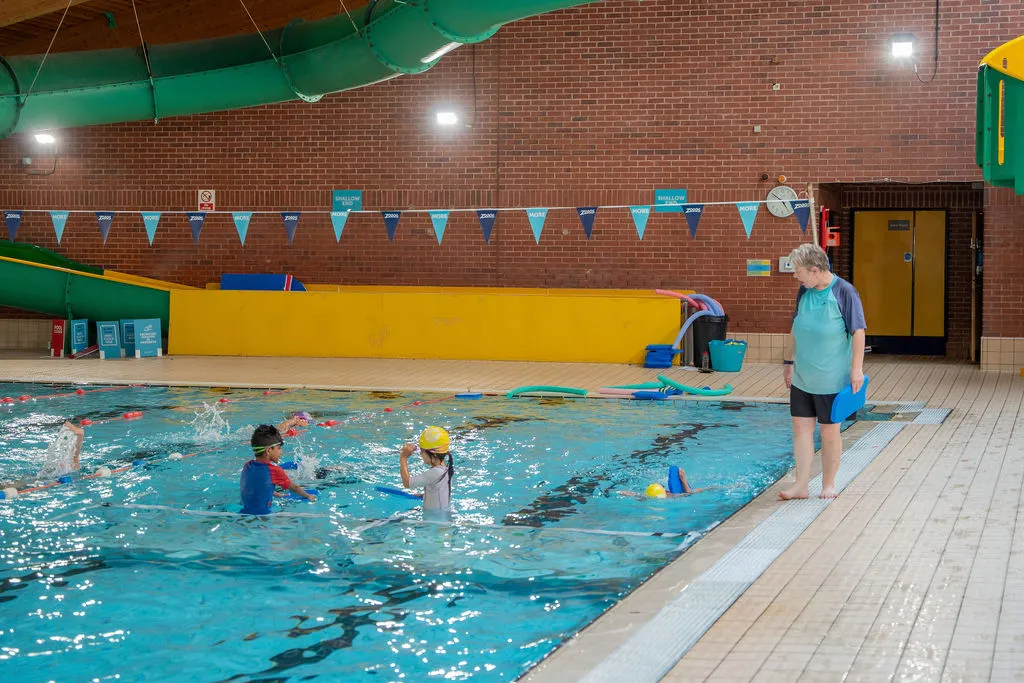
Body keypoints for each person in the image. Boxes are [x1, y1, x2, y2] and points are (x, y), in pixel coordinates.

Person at [780, 242, 866, 501]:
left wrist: (857, 370)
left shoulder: (844, 292)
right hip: (803, 377)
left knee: (829, 431)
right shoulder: (804, 291)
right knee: (801, 430)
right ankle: (801, 485)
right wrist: (788, 362)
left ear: (815, 270)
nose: (795, 276)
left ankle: (828, 483)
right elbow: (797, 327)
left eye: (798, 271)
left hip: (831, 379)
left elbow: (858, 331)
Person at [240, 420, 316, 515]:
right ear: (268, 451)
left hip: (244, 512)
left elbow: (254, 486)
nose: (281, 452)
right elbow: (294, 487)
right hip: (263, 516)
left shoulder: (247, 465)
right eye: (279, 448)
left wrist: (273, 492)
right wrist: (308, 496)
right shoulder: (274, 470)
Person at [398, 426, 454, 513]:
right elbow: (441, 492)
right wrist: (426, 496)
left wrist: (403, 457)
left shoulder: (436, 472)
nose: (420, 454)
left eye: (422, 450)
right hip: (441, 516)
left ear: (433, 454)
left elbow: (407, 483)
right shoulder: (446, 469)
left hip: (433, 521)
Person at [617, 466, 710, 498]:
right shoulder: (672, 497)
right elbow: (689, 493)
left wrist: (627, 493)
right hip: (684, 492)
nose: (667, 492)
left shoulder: (659, 495)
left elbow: (638, 495)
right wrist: (683, 479)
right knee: (708, 488)